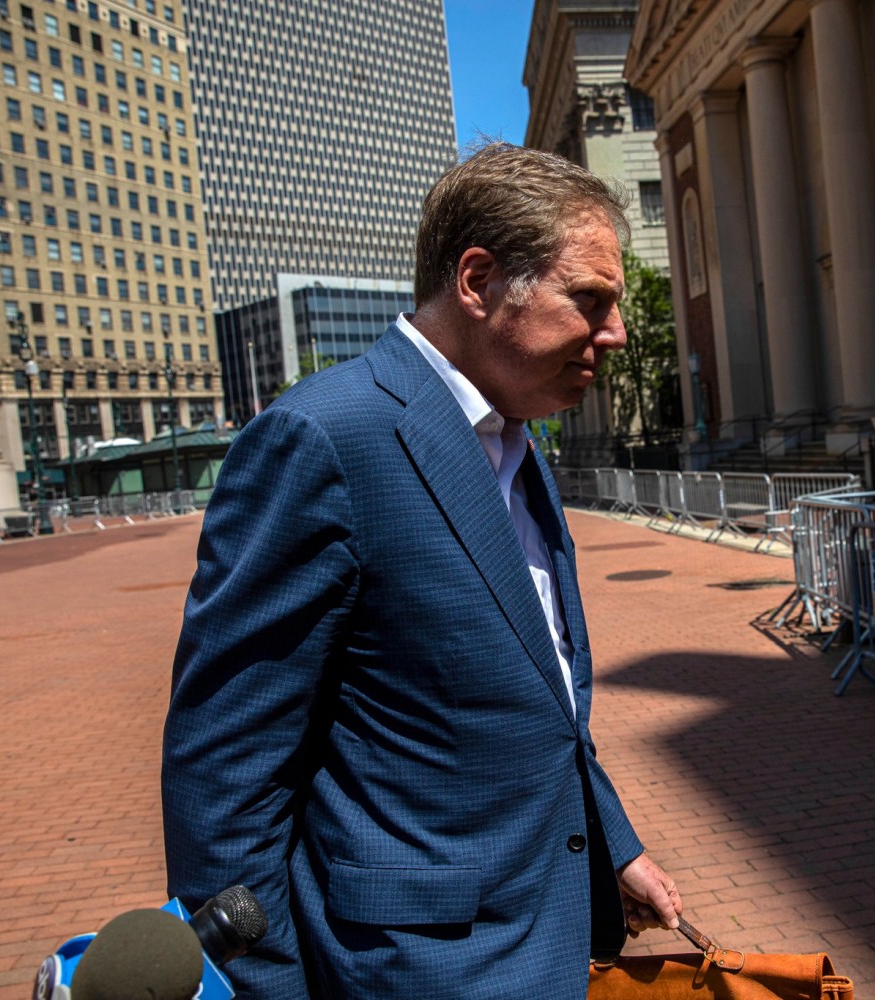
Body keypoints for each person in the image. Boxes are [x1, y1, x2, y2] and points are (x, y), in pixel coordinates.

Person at [163, 142, 680, 999]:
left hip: (544, 940)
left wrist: (612, 845)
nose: (616, 332)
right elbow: (225, 775)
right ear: (478, 282)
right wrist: (272, 992)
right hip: (413, 972)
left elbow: (539, 705)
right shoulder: (324, 440)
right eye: (589, 300)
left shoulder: (518, 445)